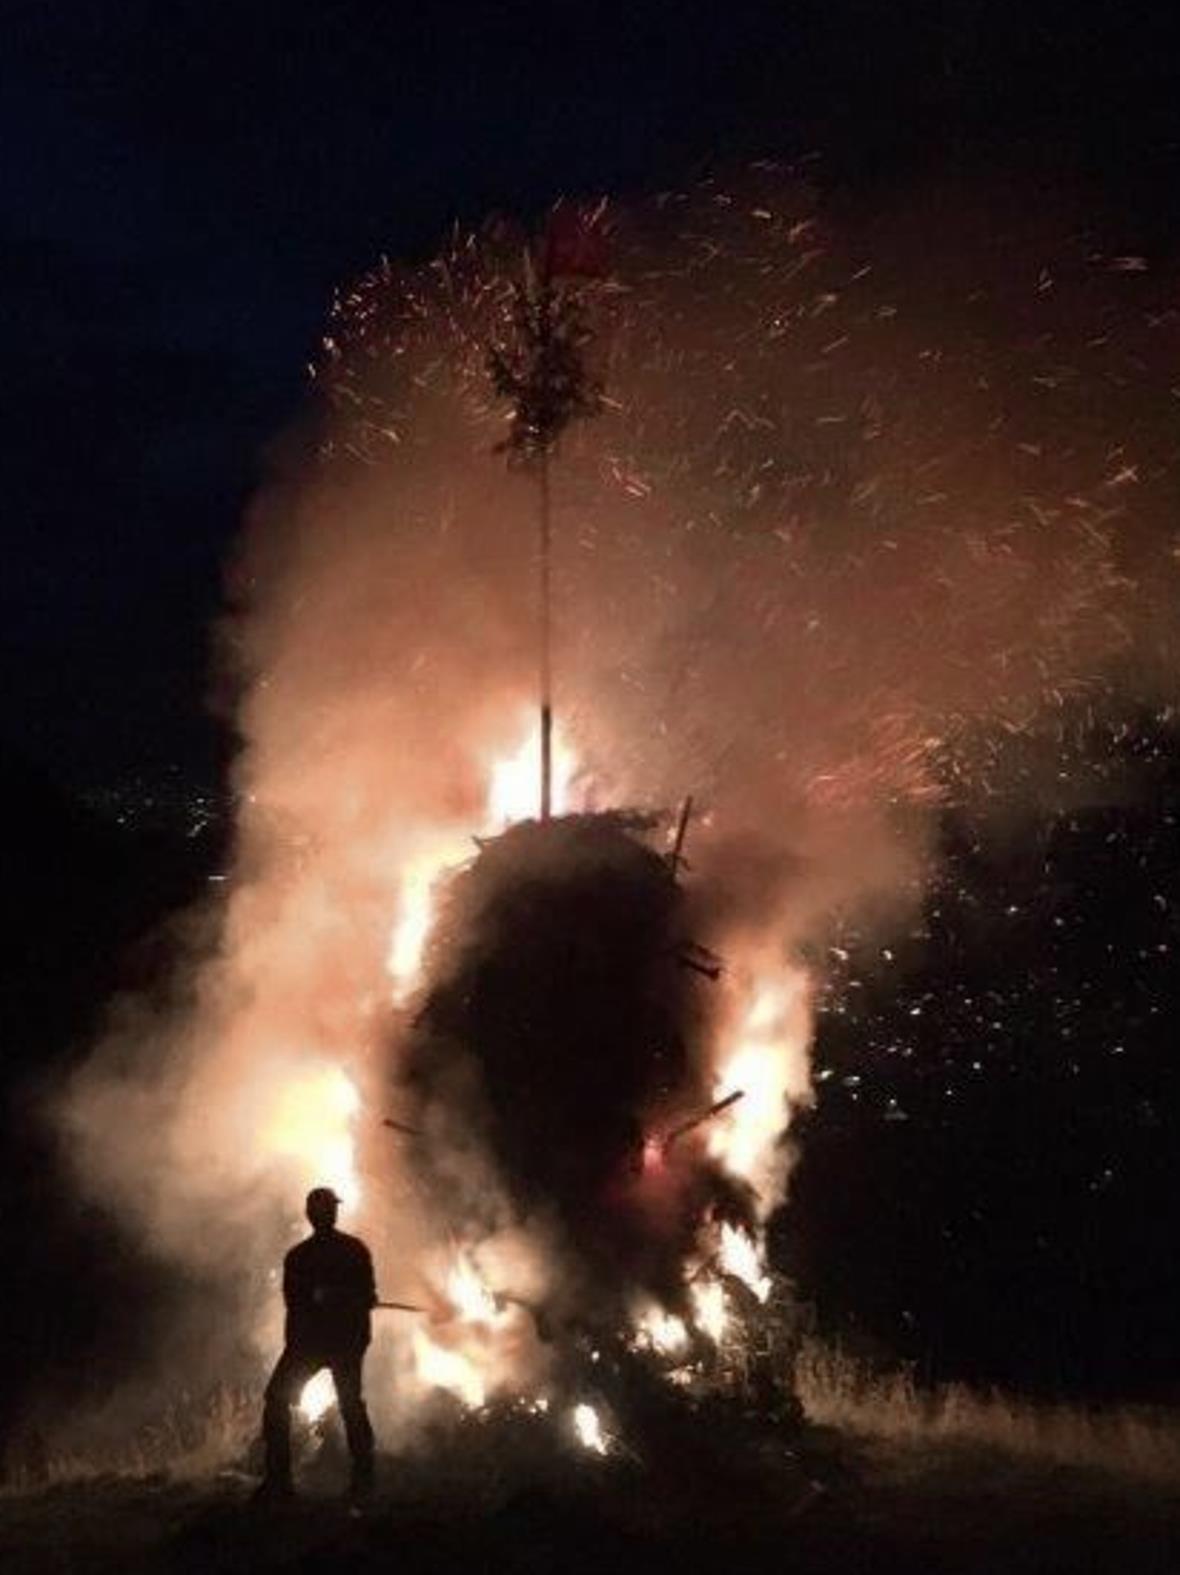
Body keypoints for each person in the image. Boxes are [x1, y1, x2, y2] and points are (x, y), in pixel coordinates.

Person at [257, 1186, 377, 1503]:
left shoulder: (315, 1254)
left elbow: (366, 1296)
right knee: (344, 1404)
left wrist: (343, 1304)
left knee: (345, 1404)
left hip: (330, 1344)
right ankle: (283, 1481)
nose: (330, 1214)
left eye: (331, 1209)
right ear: (316, 1214)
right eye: (327, 1209)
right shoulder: (339, 1251)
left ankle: (281, 1481)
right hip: (323, 1344)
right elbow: (297, 1303)